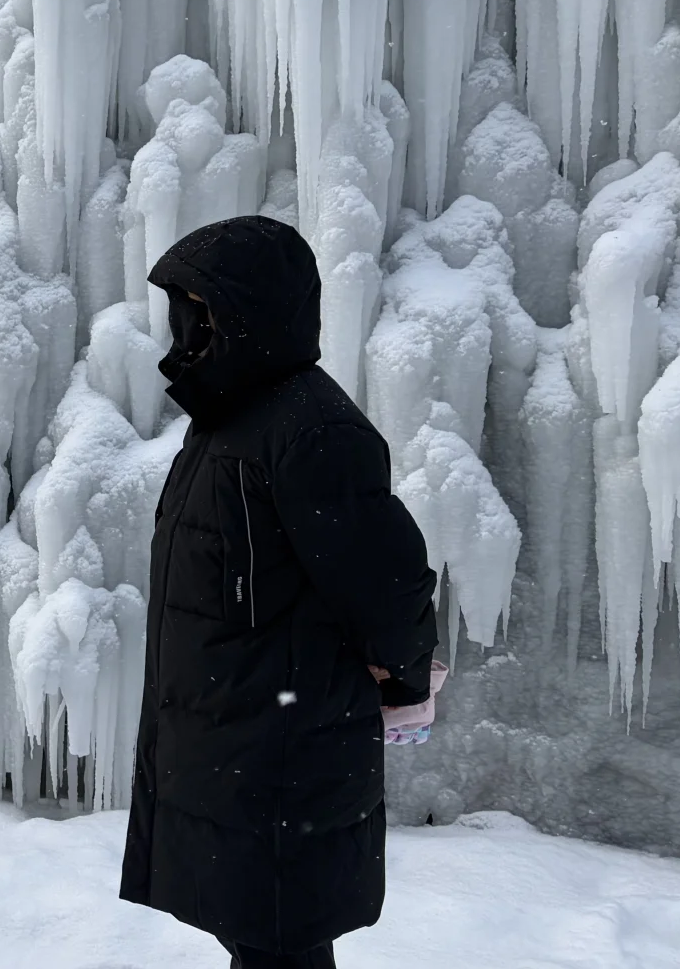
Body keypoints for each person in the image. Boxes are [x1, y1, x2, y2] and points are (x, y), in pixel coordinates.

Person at [118, 216, 440, 969]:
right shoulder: (229, 423)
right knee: (259, 933)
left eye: (204, 309)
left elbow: (386, 582)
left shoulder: (312, 431)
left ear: (249, 315)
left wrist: (408, 677)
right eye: (185, 309)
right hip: (231, 738)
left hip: (281, 750)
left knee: (280, 938)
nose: (189, 327)